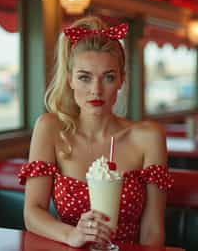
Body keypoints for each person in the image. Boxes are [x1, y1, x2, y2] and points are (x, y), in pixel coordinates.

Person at [18, 16, 173, 248]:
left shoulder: (148, 137)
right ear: (69, 79)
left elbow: (152, 230)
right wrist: (71, 235)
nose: (96, 90)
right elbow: (33, 213)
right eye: (84, 77)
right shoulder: (50, 129)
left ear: (121, 80)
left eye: (108, 77)